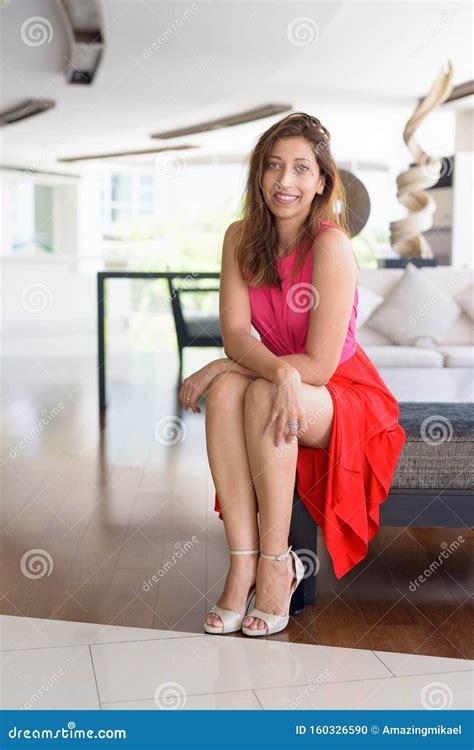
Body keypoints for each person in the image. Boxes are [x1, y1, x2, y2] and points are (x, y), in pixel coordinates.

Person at [178, 112, 406, 637]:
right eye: (274, 166)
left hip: (342, 392)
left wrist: (252, 369)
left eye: (302, 168)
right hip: (273, 374)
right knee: (234, 388)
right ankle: (242, 565)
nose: (286, 181)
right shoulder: (240, 238)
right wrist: (246, 366)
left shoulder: (330, 246)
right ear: (259, 175)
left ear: (322, 180)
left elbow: (322, 366)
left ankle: (278, 565)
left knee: (255, 390)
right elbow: (237, 334)